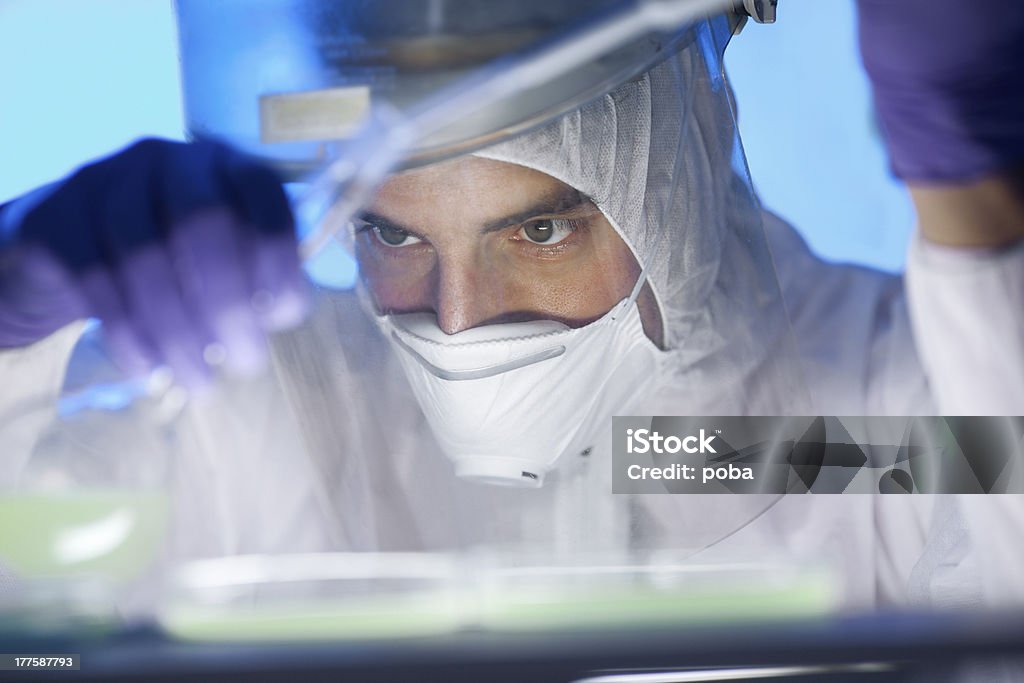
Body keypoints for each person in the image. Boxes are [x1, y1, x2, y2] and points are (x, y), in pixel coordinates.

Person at [0, 0, 1022, 616]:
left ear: (678, 174)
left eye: (539, 230)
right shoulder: (256, 399)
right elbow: (32, 582)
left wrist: (985, 231)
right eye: (392, 234)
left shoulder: (883, 410)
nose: (458, 322)